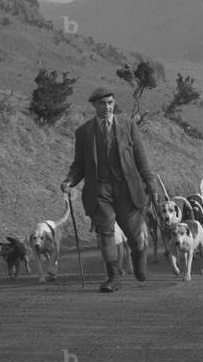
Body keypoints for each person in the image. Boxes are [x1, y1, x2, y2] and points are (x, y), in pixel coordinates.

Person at [60, 87, 160, 292]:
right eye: (102, 103)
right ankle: (113, 277)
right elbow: (79, 164)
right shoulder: (84, 132)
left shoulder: (128, 126)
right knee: (105, 233)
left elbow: (141, 160)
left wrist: (152, 186)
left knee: (133, 235)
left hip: (127, 188)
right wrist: (70, 181)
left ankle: (139, 255)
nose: (107, 107)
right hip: (99, 190)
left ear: (114, 104)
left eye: (110, 103)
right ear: (94, 105)